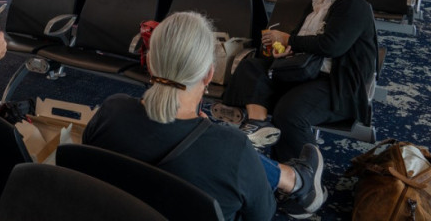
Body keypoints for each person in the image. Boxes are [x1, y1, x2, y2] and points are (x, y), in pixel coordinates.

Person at [83, 12, 327, 220]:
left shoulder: (111, 111)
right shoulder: (231, 147)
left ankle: (295, 178)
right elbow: (263, 214)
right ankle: (296, 181)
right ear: (209, 75)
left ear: (149, 63)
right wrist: (213, 138)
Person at [216, 0, 377, 164]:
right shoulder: (317, 3)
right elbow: (303, 41)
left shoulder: (355, 6)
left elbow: (331, 46)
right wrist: (285, 50)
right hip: (305, 71)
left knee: (289, 113)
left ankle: (306, 171)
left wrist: (287, 40)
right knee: (251, 66)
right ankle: (258, 124)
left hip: (335, 83)